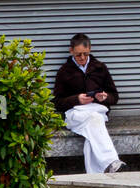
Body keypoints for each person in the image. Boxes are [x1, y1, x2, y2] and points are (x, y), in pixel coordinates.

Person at [52, 33, 124, 174]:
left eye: (85, 54)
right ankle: (111, 161)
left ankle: (100, 173)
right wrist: (77, 99)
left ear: (90, 49)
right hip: (75, 114)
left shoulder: (100, 68)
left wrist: (104, 97)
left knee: (92, 131)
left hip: (97, 110)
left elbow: (114, 97)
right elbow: (57, 102)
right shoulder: (64, 72)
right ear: (71, 51)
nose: (83, 58)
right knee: (94, 121)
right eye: (78, 55)